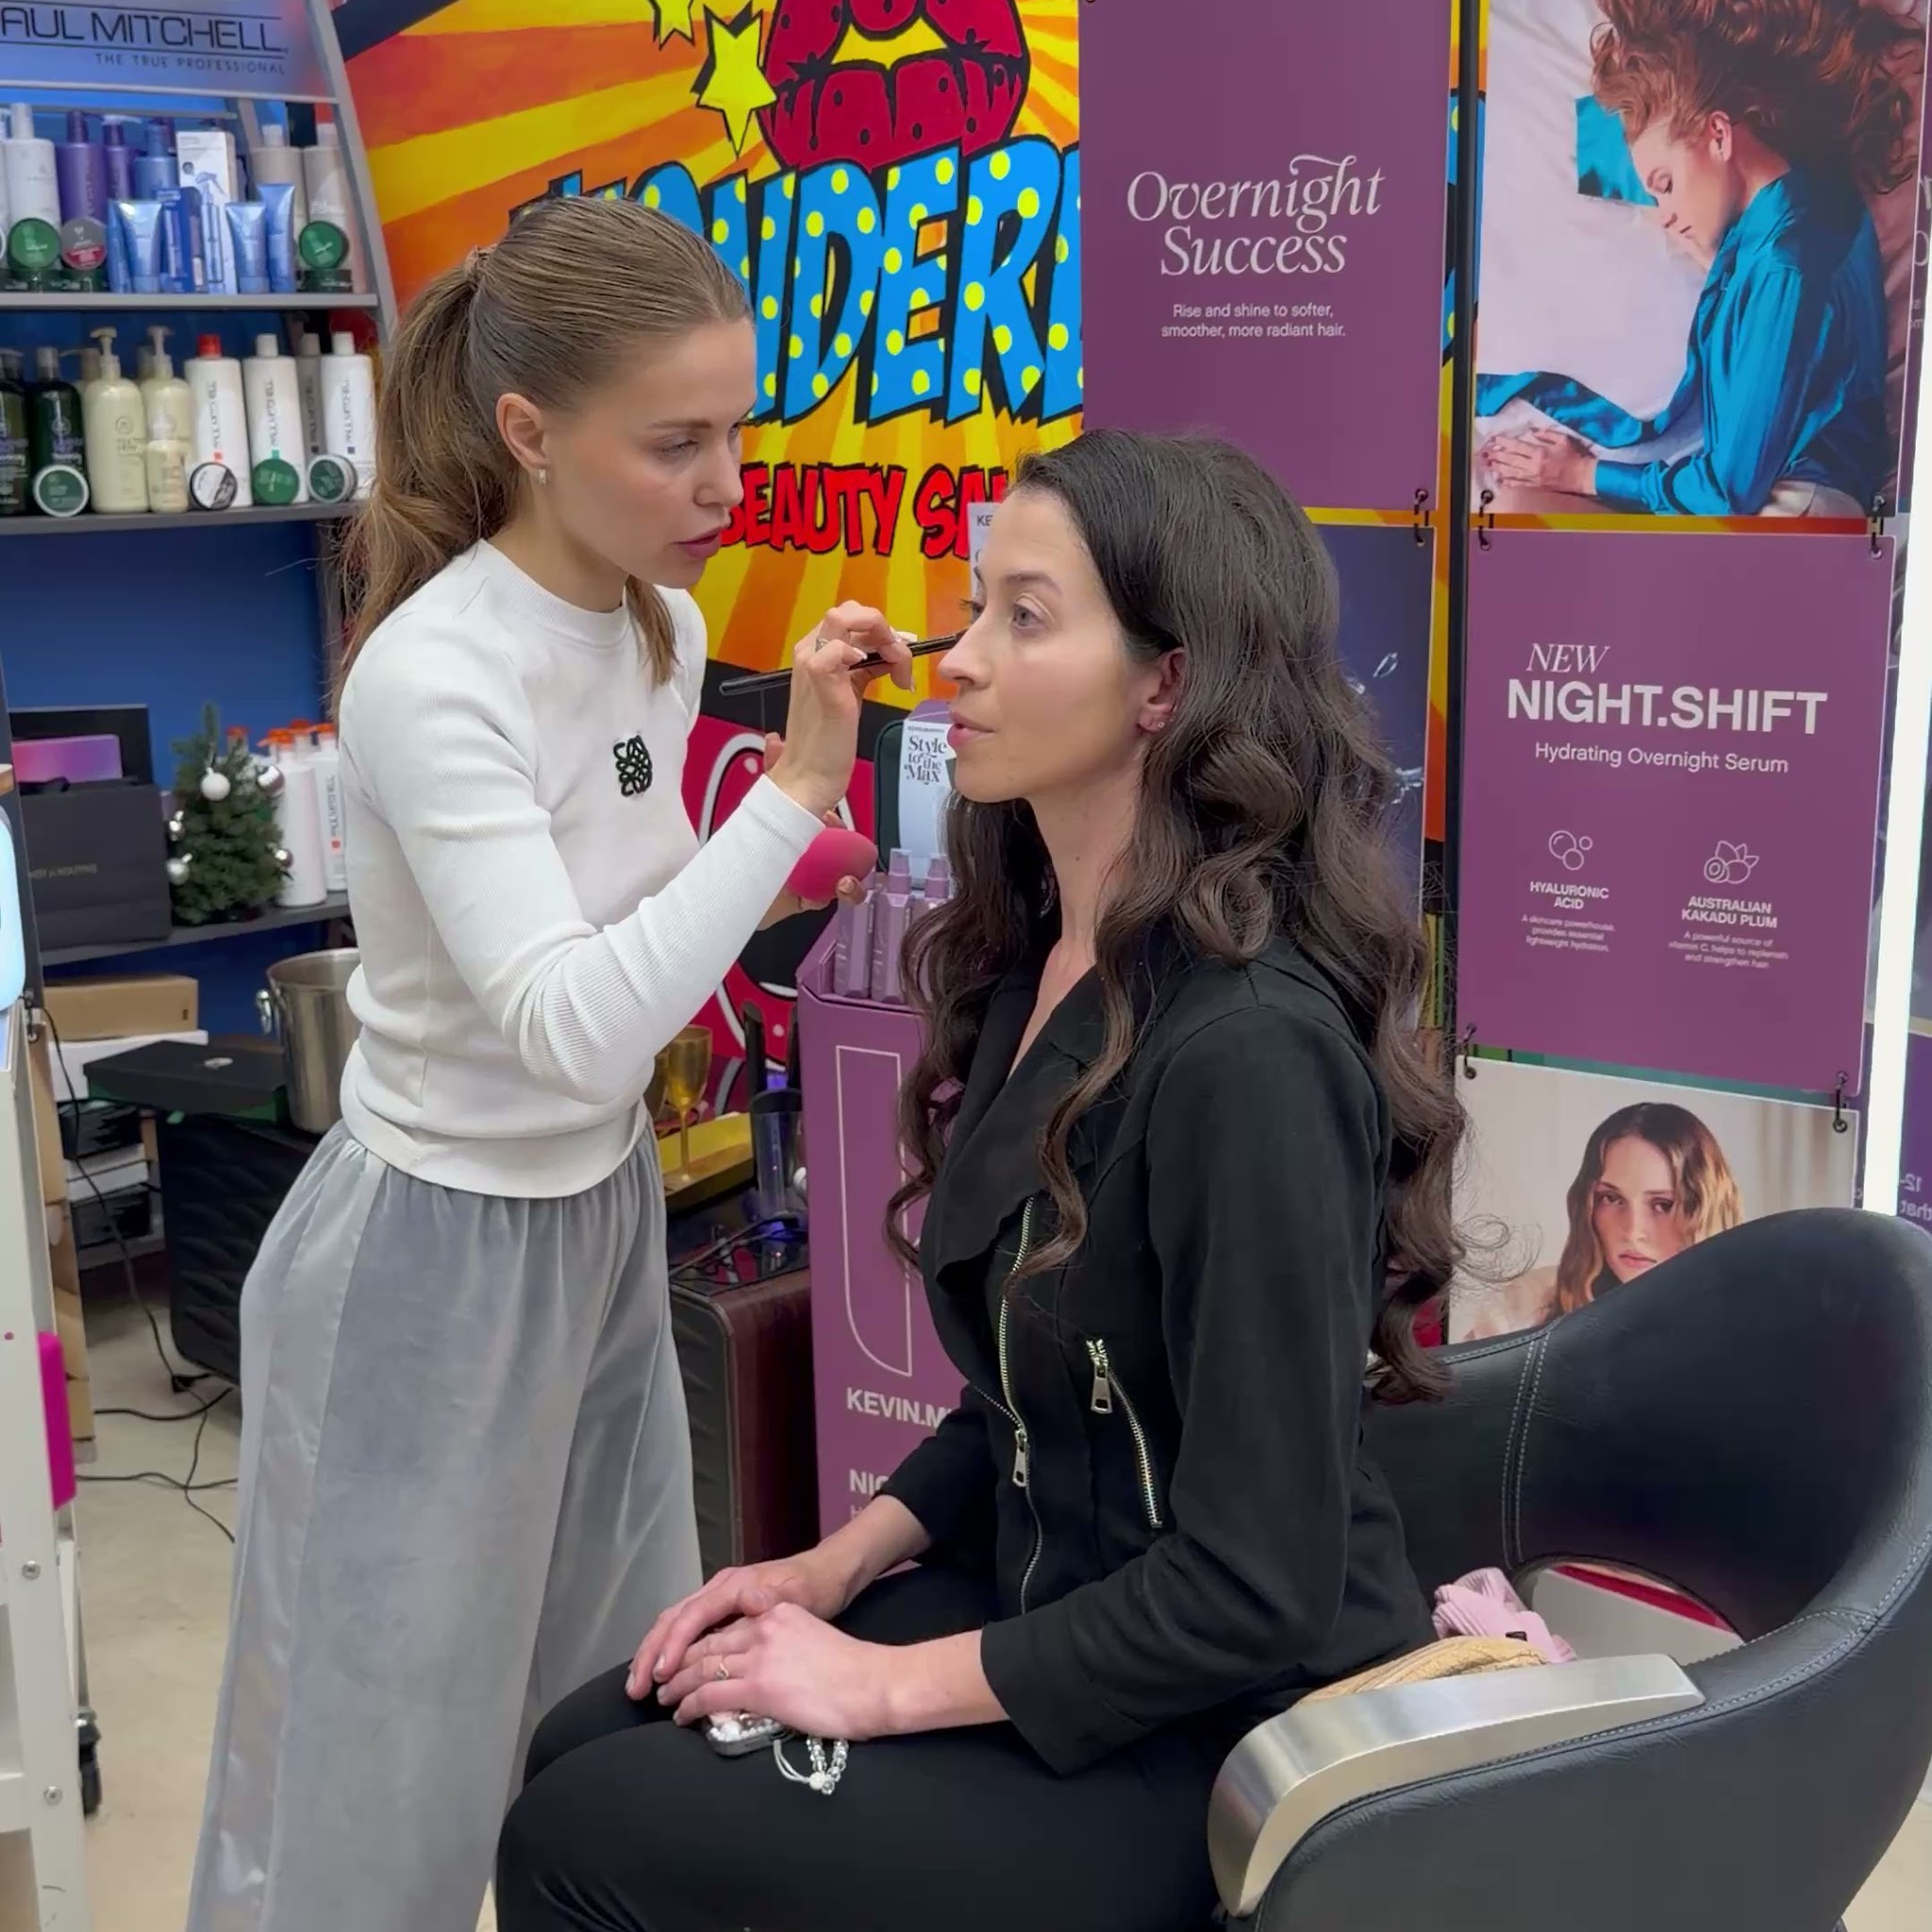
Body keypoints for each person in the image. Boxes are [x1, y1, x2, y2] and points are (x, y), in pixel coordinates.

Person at [494, 430, 1466, 1932]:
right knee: (585, 1737)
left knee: (580, 1838)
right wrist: (828, 1570)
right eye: (972, 607)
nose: (956, 660)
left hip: (1221, 1731)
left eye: (1025, 616)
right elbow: (1028, 1392)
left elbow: (1252, 1587)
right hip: (1050, 1593)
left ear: (1165, 683)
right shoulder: (1048, 964)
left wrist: (879, 1687)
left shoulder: (1250, 1055)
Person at [185, 196, 911, 1932]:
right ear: (527, 430)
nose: (724, 483)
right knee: (371, 1780)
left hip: (593, 1212)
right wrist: (793, 797)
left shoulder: (658, 627)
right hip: (424, 1253)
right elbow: (570, 1019)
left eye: (736, 431)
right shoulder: (433, 674)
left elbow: (621, 931)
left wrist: (774, 859)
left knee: (611, 1700)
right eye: (674, 444)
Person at [1480, 0, 1920, 518]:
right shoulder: (1803, 198)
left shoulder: (1785, 266)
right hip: (1774, 503)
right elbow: (1657, 141)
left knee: (1517, 515)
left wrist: (1582, 474)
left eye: (1665, 186)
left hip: (1794, 510)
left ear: (1719, 135)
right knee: (1516, 508)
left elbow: (1727, 490)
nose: (1665, 214)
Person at [1458, 1101, 1743, 1340]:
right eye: (1612, 1198)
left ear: (1704, 1211)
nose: (1632, 1232)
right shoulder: (1526, 1307)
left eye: (1662, 1205)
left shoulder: (1746, 1324)